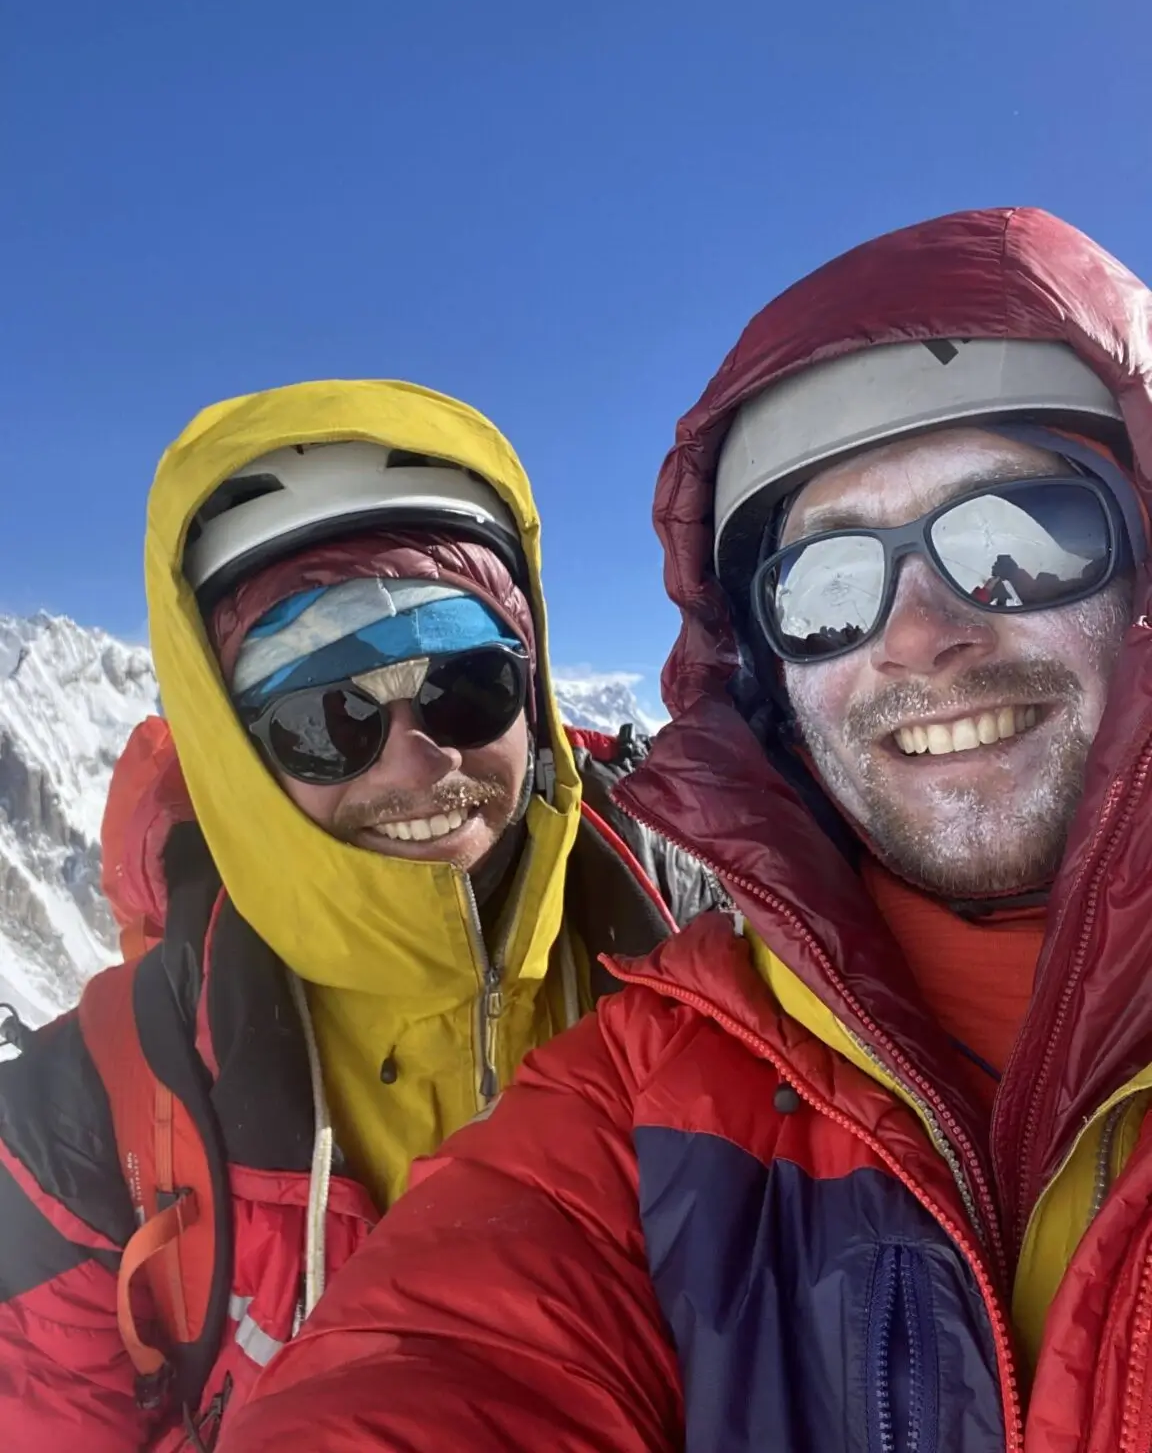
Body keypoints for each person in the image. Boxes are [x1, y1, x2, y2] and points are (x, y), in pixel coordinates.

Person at [214, 209, 1152, 1453]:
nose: (923, 633)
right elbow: (445, 1361)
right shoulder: (656, 1078)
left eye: (1017, 539)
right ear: (767, 672)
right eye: (828, 585)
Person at [0, 379, 717, 1452]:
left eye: (467, 686)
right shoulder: (77, 1133)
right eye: (326, 718)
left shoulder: (727, 965)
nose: (417, 762)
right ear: (241, 758)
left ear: (533, 696)